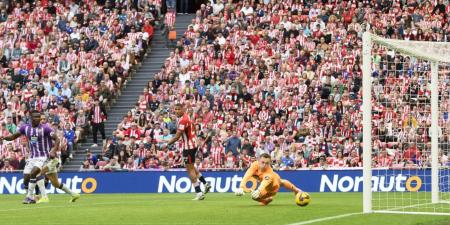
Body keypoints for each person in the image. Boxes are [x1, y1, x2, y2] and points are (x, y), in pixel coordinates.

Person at [0, 110, 78, 204]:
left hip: (45, 157)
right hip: (33, 157)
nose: (38, 119)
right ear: (31, 118)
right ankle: (74, 194)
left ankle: (37, 197)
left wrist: (53, 150)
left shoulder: (45, 128)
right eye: (36, 117)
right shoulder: (25, 128)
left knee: (36, 173)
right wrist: (4, 138)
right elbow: (13, 137)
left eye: (39, 117)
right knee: (54, 183)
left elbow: (57, 139)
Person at [163, 103, 210, 200]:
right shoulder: (186, 116)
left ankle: (199, 193)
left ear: (183, 109)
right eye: (175, 109)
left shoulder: (183, 120)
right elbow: (192, 128)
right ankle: (205, 183)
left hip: (188, 147)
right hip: (192, 145)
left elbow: (177, 136)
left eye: (178, 109)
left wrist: (167, 144)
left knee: (189, 170)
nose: (176, 111)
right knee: (191, 166)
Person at [235, 153, 303, 206]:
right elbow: (247, 175)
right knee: (281, 182)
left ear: (270, 163)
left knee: (279, 182)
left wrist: (258, 191)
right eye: (262, 162)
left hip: (272, 187)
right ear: (258, 161)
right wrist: (241, 187)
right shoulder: (254, 165)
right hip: (271, 179)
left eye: (267, 163)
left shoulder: (269, 172)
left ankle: (296, 189)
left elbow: (264, 183)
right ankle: (266, 200)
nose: (264, 165)